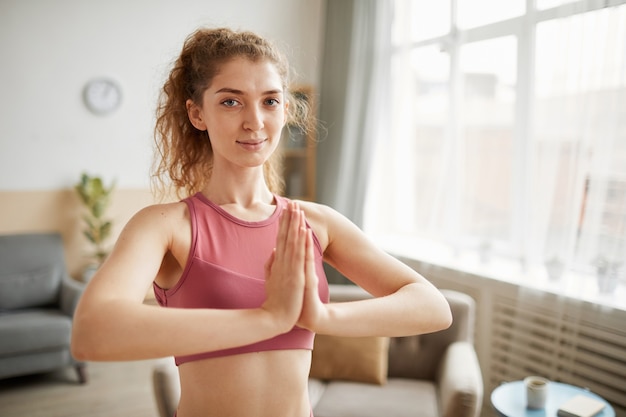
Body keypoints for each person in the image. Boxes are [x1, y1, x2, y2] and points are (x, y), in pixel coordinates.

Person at [71, 27, 452, 417]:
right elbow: (93, 332)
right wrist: (266, 319)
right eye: (232, 102)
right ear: (197, 113)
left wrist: (321, 316)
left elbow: (433, 307)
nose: (255, 121)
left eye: (270, 100)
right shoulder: (166, 226)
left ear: (286, 109)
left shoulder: (316, 222)